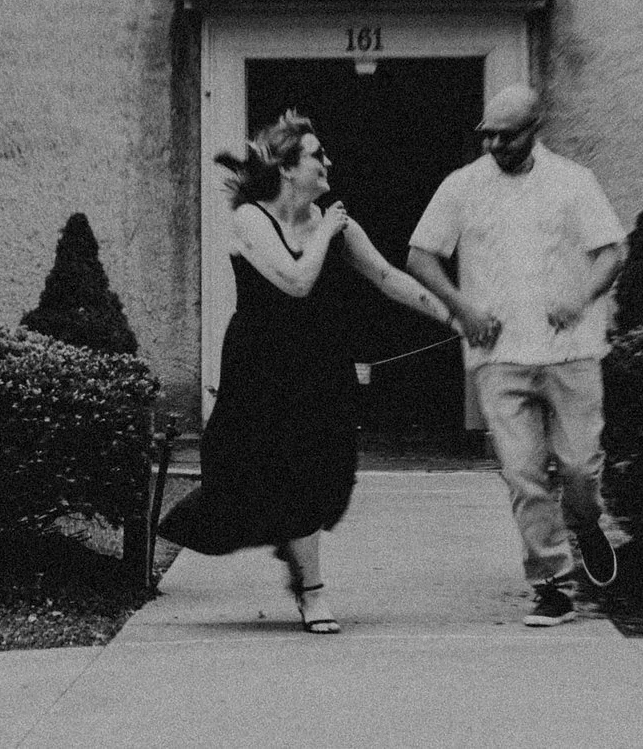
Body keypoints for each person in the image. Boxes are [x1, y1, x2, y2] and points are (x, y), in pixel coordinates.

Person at [157, 108, 455, 633]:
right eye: (318, 156)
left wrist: (453, 316)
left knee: (323, 472)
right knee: (258, 474)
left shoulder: (335, 223)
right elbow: (295, 282)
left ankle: (299, 559)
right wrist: (326, 231)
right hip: (261, 367)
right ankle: (312, 590)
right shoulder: (251, 219)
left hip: (320, 363)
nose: (328, 163)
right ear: (288, 169)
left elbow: (387, 276)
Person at [407, 83, 626, 627]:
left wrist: (580, 297)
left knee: (579, 469)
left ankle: (585, 521)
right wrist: (463, 309)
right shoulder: (462, 186)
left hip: (571, 352)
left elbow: (612, 251)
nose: (494, 146)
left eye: (506, 136)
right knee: (523, 474)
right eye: (487, 135)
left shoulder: (574, 182)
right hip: (499, 355)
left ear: (534, 130)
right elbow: (420, 256)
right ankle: (552, 583)